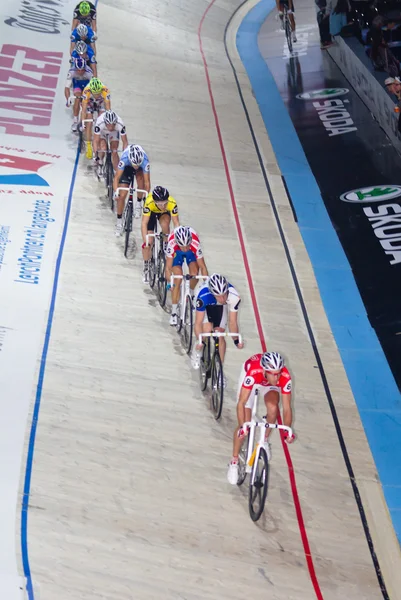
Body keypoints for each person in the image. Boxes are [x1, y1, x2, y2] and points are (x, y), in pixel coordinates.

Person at [227, 351, 295, 485]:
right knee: (245, 424)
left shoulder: (285, 376)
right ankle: (234, 462)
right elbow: (241, 403)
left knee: (273, 408)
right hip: (252, 383)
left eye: (278, 373)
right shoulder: (253, 371)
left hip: (267, 386)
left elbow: (287, 408)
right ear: (265, 370)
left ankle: (264, 440)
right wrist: (242, 427)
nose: (277, 377)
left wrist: (287, 430)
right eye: (273, 374)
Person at [192, 273, 243, 370]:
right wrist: (200, 341)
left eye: (224, 295)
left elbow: (232, 321)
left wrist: (236, 340)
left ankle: (219, 371)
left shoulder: (234, 296)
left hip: (219, 306)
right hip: (206, 303)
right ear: (212, 293)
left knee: (220, 335)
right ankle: (197, 351)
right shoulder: (203, 296)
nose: (223, 299)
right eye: (219, 296)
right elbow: (198, 323)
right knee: (206, 330)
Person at [165, 226, 208, 326]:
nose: (185, 248)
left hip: (191, 252)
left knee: (194, 274)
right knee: (177, 277)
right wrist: (169, 283)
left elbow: (203, 267)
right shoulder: (172, 243)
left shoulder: (195, 244)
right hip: (176, 252)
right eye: (183, 246)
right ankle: (174, 313)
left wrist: (206, 284)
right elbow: (167, 268)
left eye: (186, 245)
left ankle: (191, 292)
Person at [141, 186, 180, 283]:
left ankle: (165, 243)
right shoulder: (149, 203)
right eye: (160, 204)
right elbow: (144, 223)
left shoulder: (171, 203)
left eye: (165, 203)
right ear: (155, 201)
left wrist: (174, 240)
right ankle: (146, 266)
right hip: (152, 213)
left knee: (165, 224)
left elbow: (176, 224)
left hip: (163, 215)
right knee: (148, 243)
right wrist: (146, 241)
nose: (163, 206)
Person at [113, 144, 151, 237]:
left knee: (141, 180)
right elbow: (117, 178)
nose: (136, 166)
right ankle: (119, 222)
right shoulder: (124, 159)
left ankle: (138, 204)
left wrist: (146, 198)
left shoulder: (145, 161)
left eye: (138, 164)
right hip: (127, 168)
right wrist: (116, 192)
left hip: (141, 170)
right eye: (135, 164)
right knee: (122, 196)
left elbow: (147, 183)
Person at [81, 78, 111, 159]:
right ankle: (88, 146)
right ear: (91, 90)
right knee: (89, 121)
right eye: (95, 93)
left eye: (98, 93)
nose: (97, 95)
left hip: (100, 102)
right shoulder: (86, 91)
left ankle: (100, 139)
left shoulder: (105, 91)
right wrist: (83, 122)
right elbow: (84, 109)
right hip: (89, 102)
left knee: (101, 119)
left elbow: (108, 108)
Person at [64, 57, 93, 132]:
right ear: (75, 68)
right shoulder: (71, 72)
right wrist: (68, 99)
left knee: (86, 102)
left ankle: (83, 119)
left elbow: (93, 87)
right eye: (78, 70)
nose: (80, 72)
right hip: (77, 85)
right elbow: (67, 88)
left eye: (82, 70)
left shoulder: (89, 72)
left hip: (87, 85)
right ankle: (75, 121)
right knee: (77, 98)